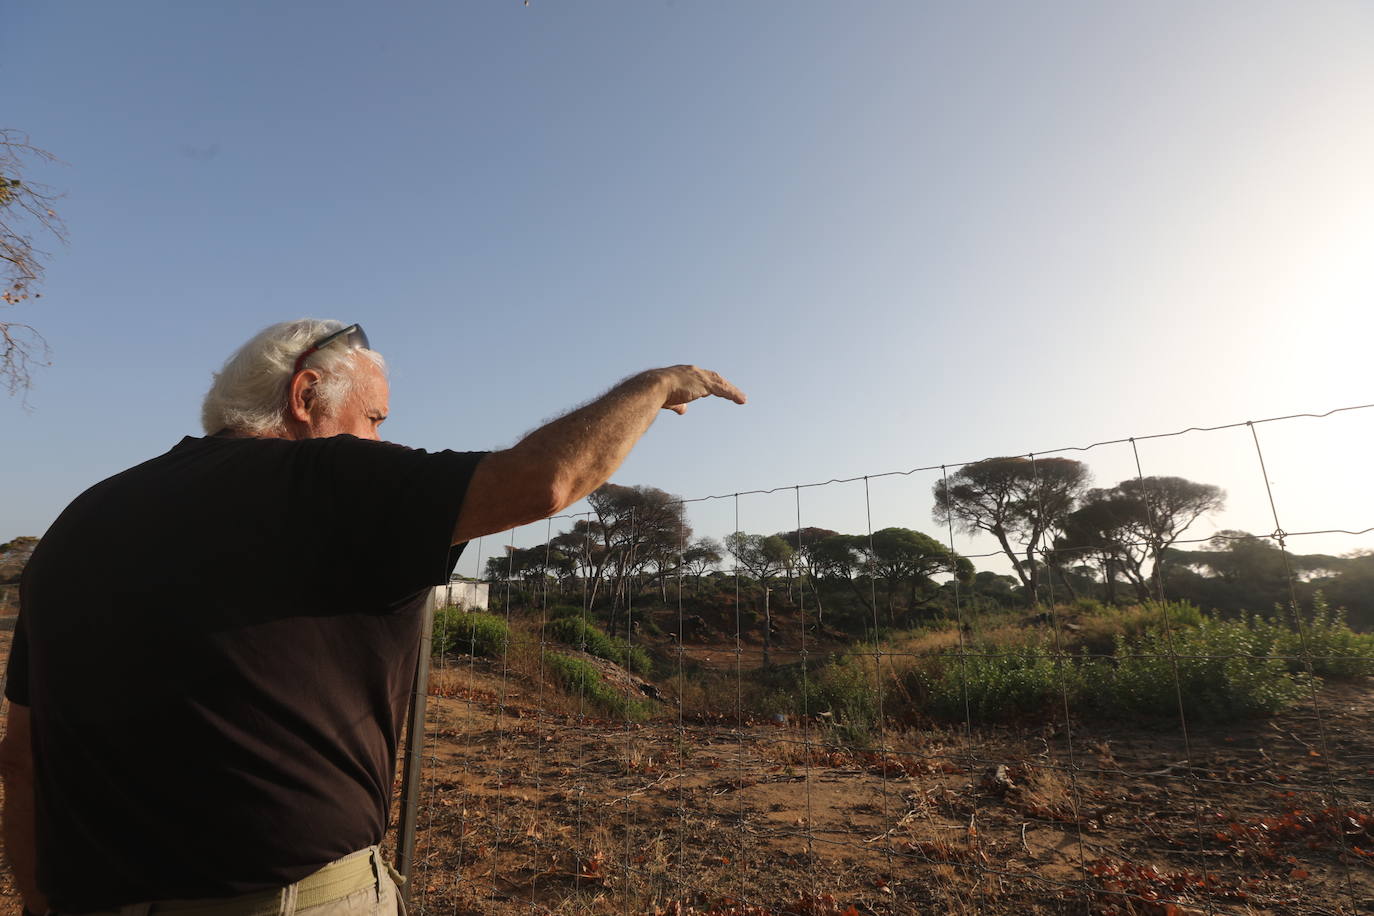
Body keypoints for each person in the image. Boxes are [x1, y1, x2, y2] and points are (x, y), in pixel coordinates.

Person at [0, 319, 745, 914]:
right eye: (376, 418)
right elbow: (547, 481)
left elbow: (23, 758)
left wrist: (39, 901)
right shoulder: (326, 477)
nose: (384, 443)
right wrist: (655, 385)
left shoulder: (80, 522)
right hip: (287, 899)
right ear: (304, 397)